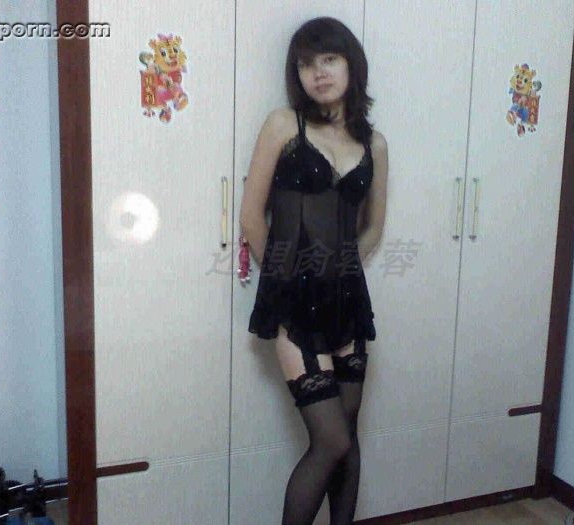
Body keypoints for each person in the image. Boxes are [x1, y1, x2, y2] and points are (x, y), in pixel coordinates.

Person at [239, 16, 388, 525]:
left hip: (348, 301)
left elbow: (373, 227)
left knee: (349, 433)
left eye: (329, 59)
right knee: (331, 440)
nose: (318, 72)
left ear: (351, 65)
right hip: (294, 305)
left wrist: (341, 268)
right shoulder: (284, 125)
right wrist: (287, 278)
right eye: (306, 64)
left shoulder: (374, 143)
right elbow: (251, 217)